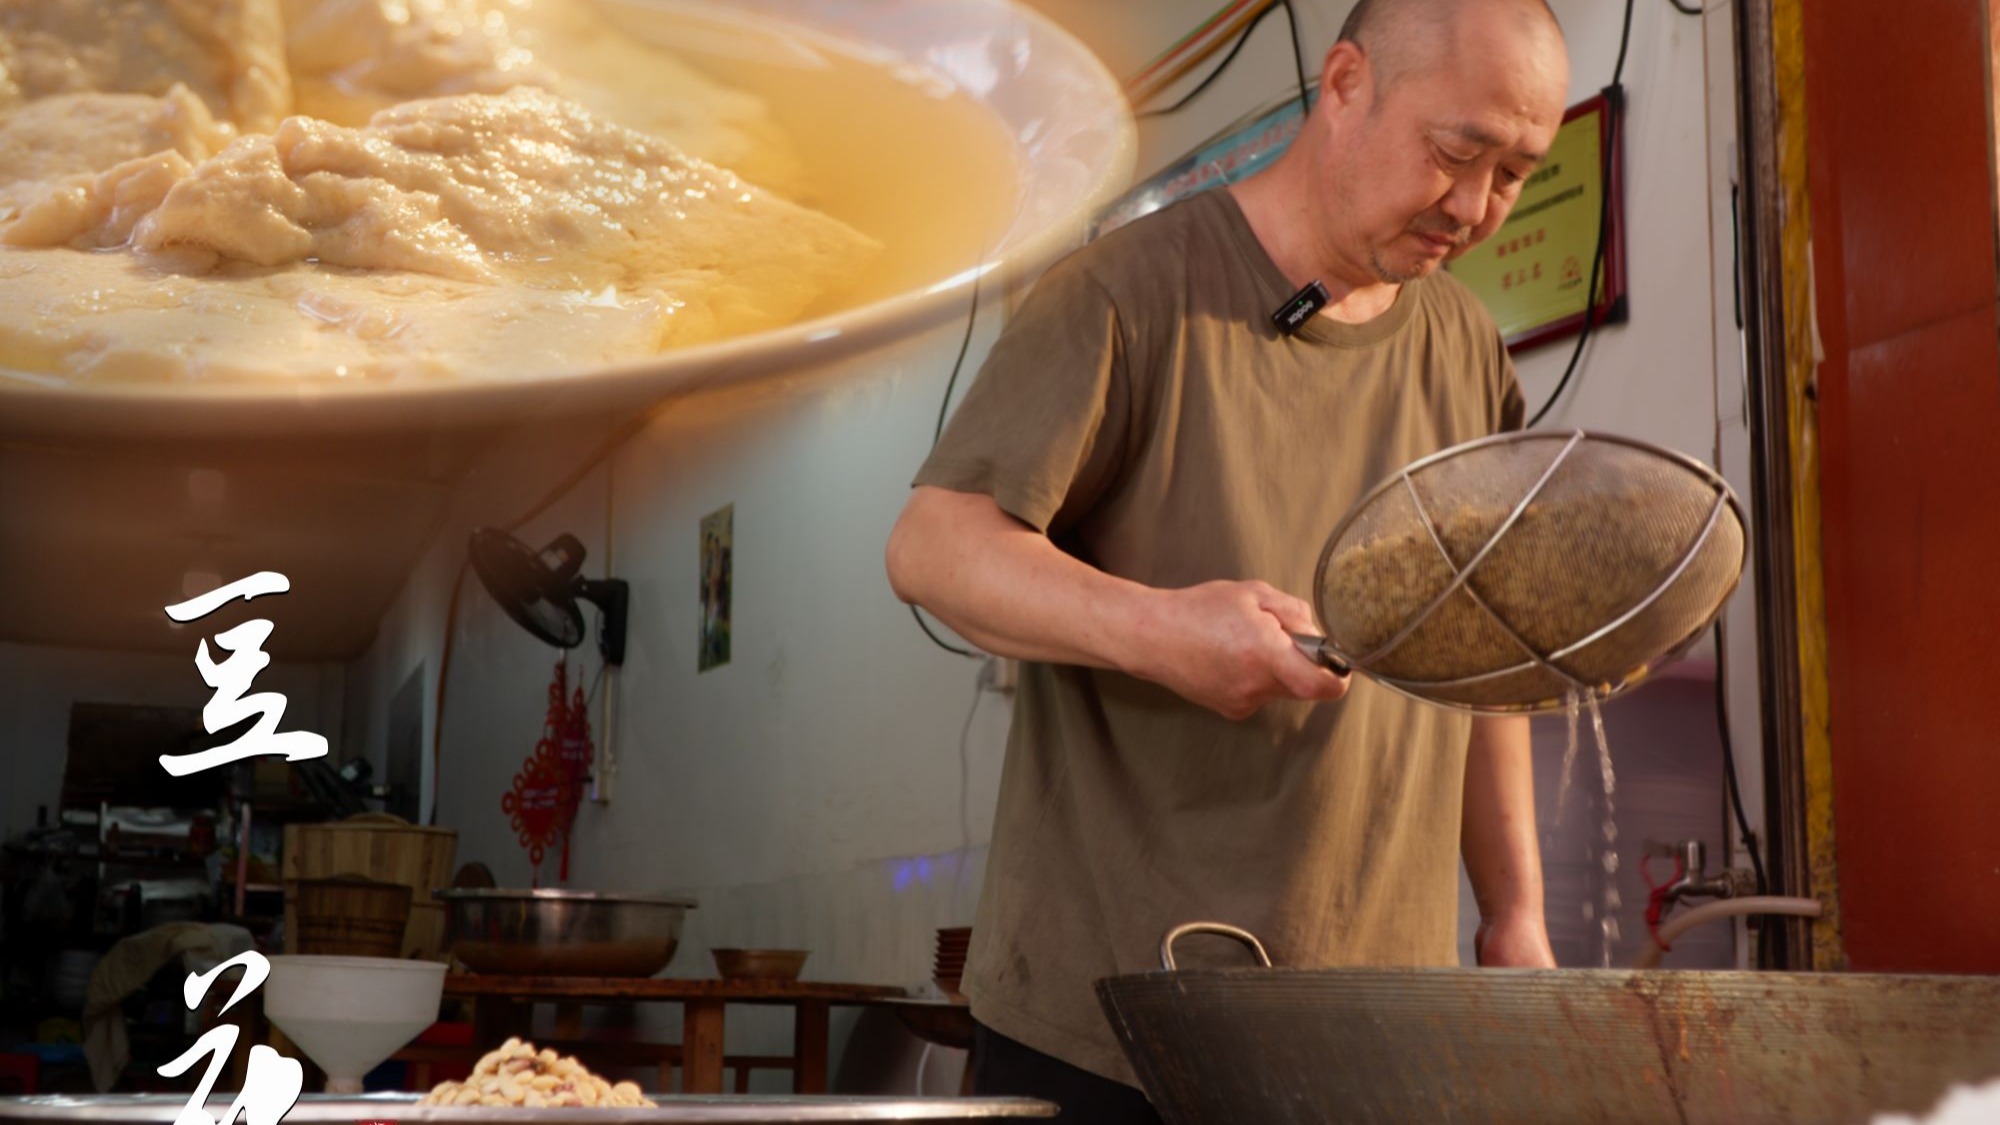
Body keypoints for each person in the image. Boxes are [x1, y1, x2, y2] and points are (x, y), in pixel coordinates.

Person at [886, 0, 1571, 1118]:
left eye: (1514, 173)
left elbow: (1477, 652)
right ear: (1343, 84)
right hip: (1110, 1029)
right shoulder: (1124, 291)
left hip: (1370, 1028)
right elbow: (933, 545)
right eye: (1453, 154)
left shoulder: (1463, 350)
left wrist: (1514, 917)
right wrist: (1160, 634)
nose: (1472, 205)